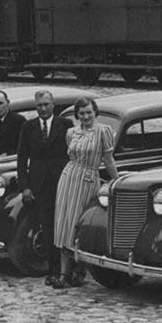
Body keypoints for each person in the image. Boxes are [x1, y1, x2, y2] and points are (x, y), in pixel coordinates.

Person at [52, 97, 118, 289]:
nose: (86, 116)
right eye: (82, 113)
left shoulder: (103, 131)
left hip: (88, 179)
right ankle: (64, 273)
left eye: (89, 112)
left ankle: (79, 271)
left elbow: (108, 160)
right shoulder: (71, 132)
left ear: (95, 112)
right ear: (77, 115)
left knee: (79, 224)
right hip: (68, 177)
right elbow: (71, 155)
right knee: (64, 223)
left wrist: (115, 182)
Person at [17, 90, 74, 285]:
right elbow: (22, 158)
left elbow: (72, 154)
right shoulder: (28, 127)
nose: (43, 108)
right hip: (39, 185)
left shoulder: (65, 125)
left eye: (46, 104)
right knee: (48, 228)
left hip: (61, 182)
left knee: (64, 227)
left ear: (53, 105)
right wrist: (25, 187)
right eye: (39, 105)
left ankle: (69, 271)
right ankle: (53, 270)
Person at [0, 90, 26, 157]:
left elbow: (24, 145)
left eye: (0, 103)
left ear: (8, 102)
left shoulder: (18, 120)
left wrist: (8, 154)